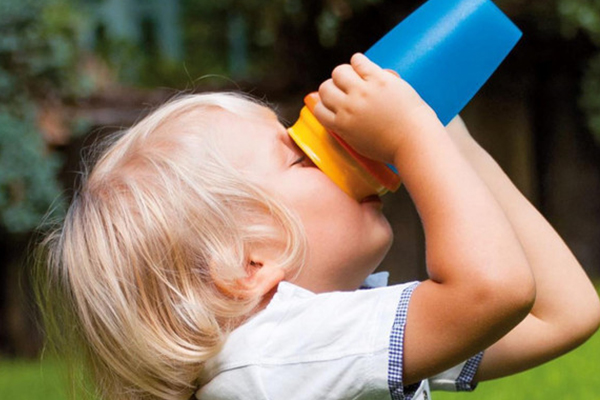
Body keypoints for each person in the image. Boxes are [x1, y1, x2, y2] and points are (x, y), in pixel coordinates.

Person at [36, 53, 600, 400]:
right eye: (300, 157)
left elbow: (563, 314)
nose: (327, 151)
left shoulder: (328, 337)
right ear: (249, 264)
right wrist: (412, 135)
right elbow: (493, 291)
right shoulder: (275, 362)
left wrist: (449, 138)